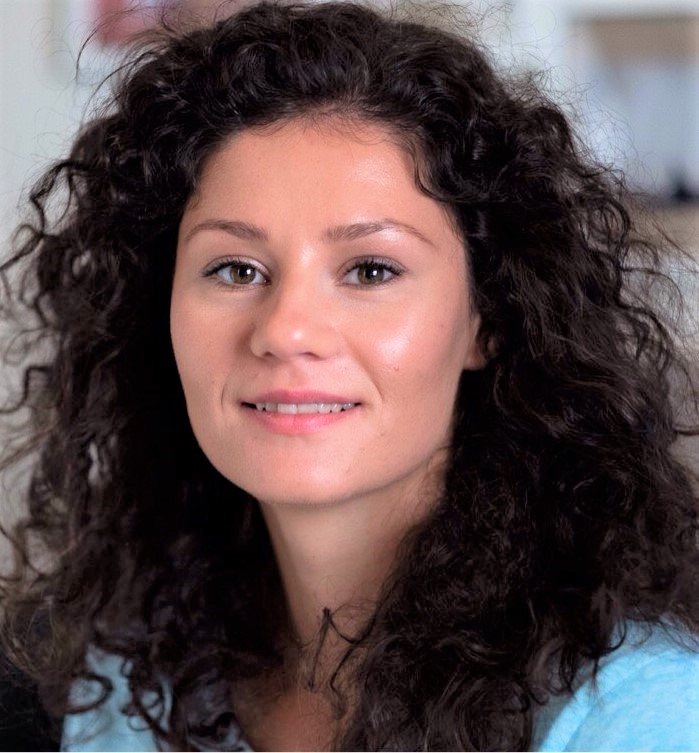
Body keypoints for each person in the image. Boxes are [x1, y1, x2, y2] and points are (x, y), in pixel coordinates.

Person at [1, 1, 698, 750]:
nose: (285, 330)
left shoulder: (639, 719)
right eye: (235, 269)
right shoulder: (126, 679)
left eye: (370, 269)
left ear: (488, 319)